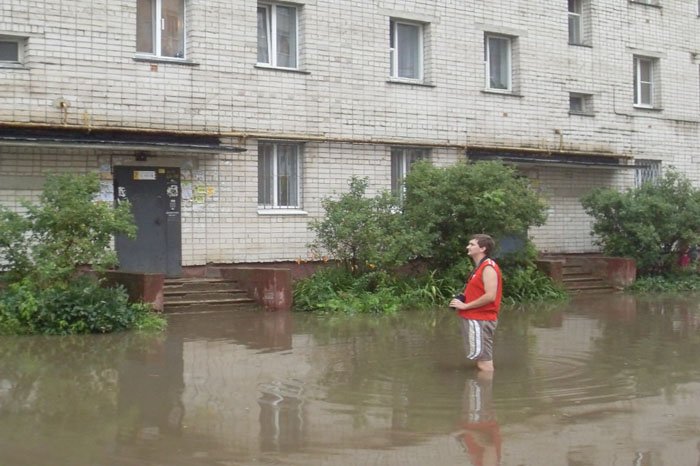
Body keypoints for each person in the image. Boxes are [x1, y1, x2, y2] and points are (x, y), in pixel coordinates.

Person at [449, 234, 503, 372]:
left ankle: (482, 391)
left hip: (480, 319)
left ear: (483, 248)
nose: (468, 246)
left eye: (472, 244)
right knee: (481, 359)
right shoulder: (480, 267)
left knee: (484, 363)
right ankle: (481, 390)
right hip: (476, 319)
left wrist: (465, 306)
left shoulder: (488, 267)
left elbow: (490, 296)